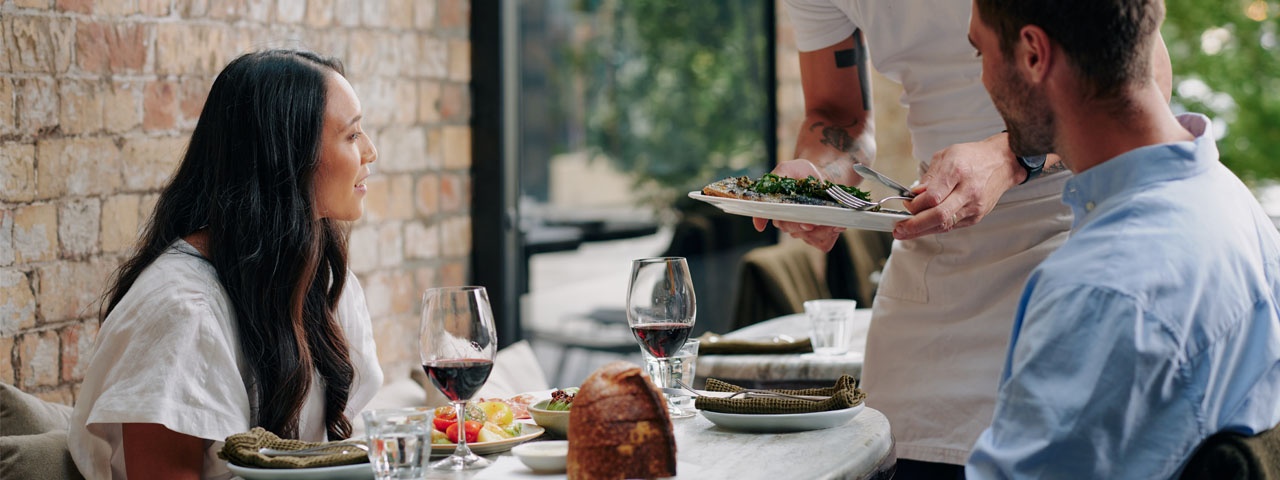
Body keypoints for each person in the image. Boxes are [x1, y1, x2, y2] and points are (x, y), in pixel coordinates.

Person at [766, 2, 1167, 476]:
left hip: (1070, 229)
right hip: (934, 253)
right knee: (894, 453)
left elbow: (1143, 78)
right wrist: (820, 182)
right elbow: (836, 114)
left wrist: (1013, 155)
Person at [964, 0, 1280, 477]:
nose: (983, 77)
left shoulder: (1100, 292)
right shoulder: (1232, 203)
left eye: (980, 53)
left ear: (1033, 54)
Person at [69, 49, 384, 480]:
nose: (370, 151)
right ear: (286, 155)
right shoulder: (181, 311)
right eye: (351, 135)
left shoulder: (320, 280)